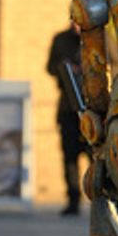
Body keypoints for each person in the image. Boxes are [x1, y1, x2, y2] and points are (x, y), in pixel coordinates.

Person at [46, 22, 85, 216]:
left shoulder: (100, 36)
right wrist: (65, 67)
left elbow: (116, 62)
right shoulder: (61, 40)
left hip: (94, 108)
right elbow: (50, 67)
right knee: (70, 157)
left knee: (99, 158)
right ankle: (73, 200)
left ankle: (103, 199)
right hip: (68, 106)